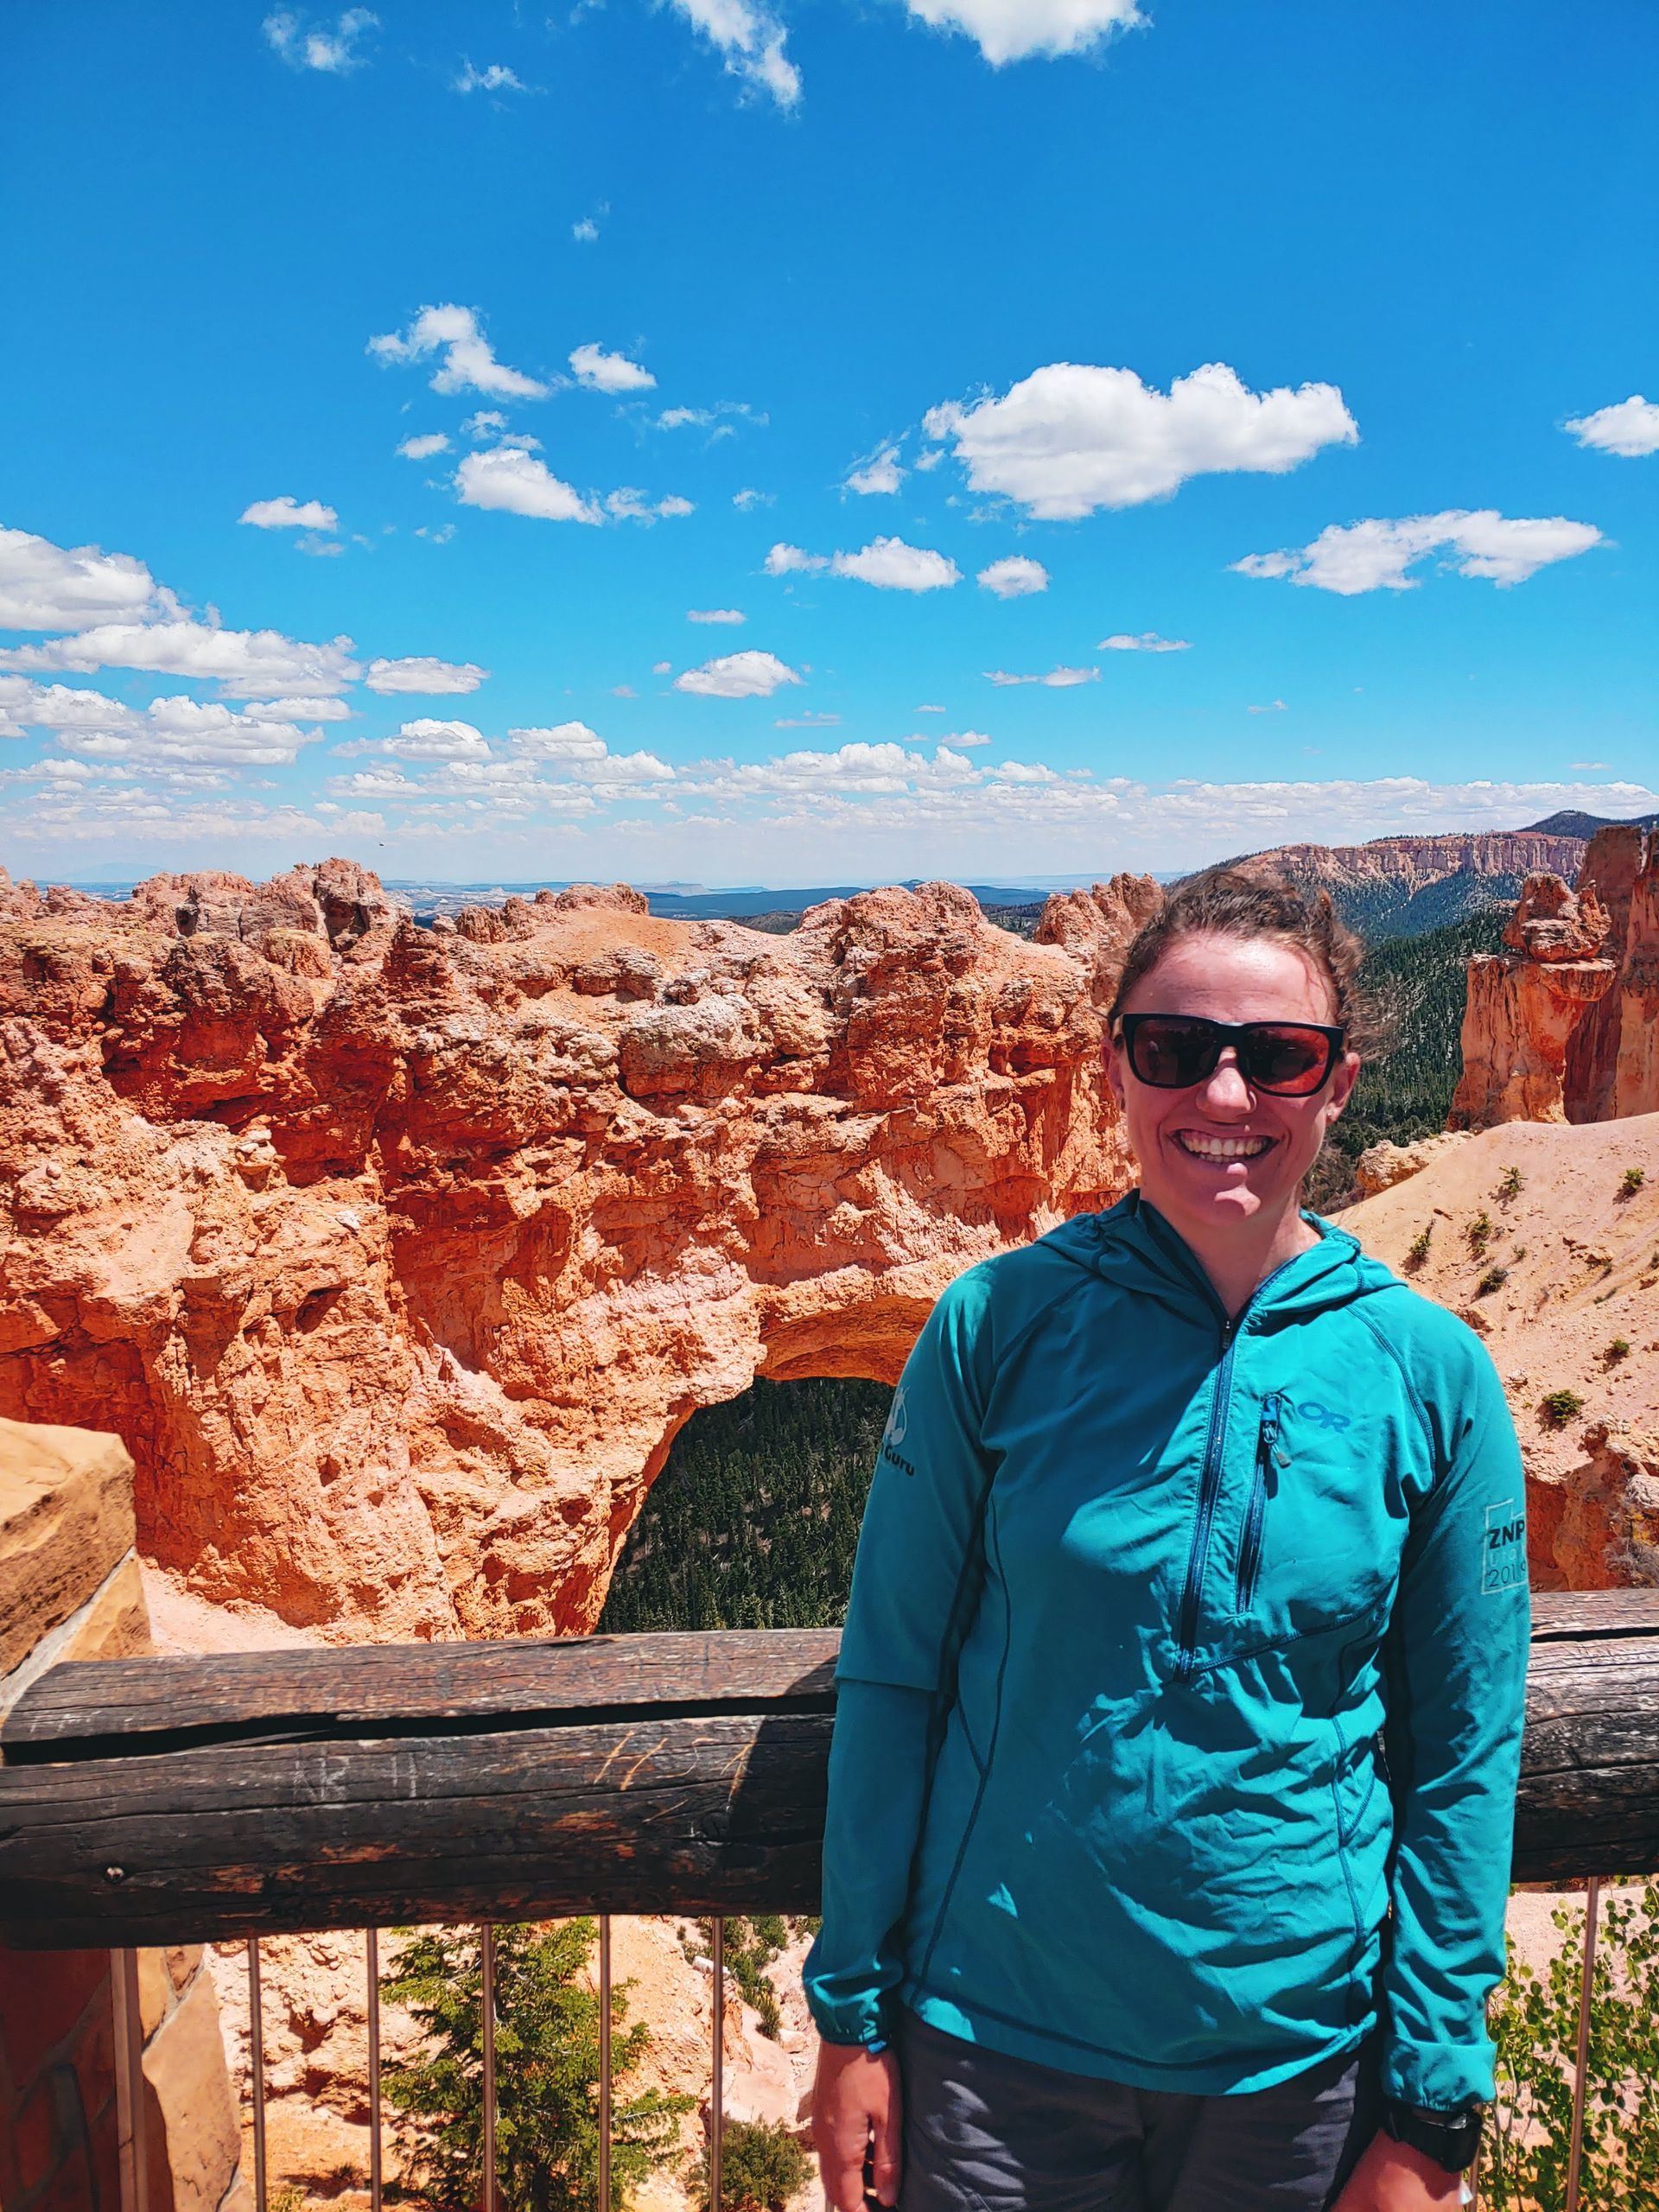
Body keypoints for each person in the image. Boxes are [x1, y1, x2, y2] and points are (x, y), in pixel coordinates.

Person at [803, 869, 1529, 2212]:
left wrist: (1431, 2109)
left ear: (1340, 1084)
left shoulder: (1432, 1375)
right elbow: (895, 1674)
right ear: (1116, 1070)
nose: (1227, 1098)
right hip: (990, 2054)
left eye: (1280, 1057)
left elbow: (1465, 1754)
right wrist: (852, 2018)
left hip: (1303, 2074)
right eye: (1176, 1051)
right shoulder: (997, 1325)